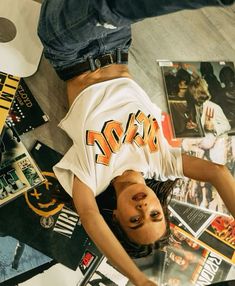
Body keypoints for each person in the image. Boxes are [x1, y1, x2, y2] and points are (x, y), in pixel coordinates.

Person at [38, 1, 235, 285]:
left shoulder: (92, 179)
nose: (143, 210)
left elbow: (90, 216)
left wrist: (138, 279)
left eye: (135, 220)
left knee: (110, 7)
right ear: (160, 204)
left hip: (72, 52)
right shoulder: (162, 162)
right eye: (155, 214)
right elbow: (219, 173)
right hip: (118, 47)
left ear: (117, 217)